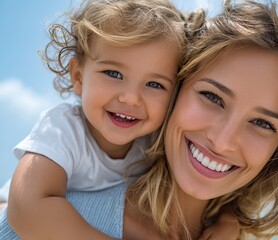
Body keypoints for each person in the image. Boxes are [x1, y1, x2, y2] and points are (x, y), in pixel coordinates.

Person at [1, 0, 278, 239]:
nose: (223, 141)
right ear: (180, 87)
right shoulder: (60, 212)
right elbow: (23, 207)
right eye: (212, 97)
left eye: (263, 124)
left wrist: (230, 222)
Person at [5, 0, 239, 239]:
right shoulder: (62, 130)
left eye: (154, 84)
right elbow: (26, 209)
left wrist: (228, 220)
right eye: (113, 73)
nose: (131, 98)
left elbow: (212, 180)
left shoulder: (157, 138)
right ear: (78, 76)